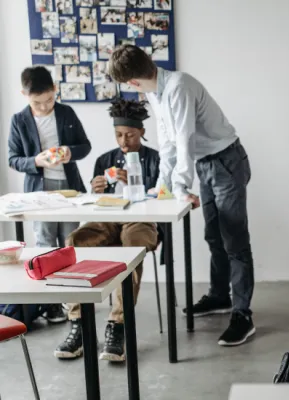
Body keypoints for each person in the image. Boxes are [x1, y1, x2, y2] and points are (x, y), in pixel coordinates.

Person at [107, 45, 256, 347]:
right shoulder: (155, 92)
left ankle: (243, 315)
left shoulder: (179, 86)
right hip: (206, 163)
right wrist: (163, 186)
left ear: (132, 82)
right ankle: (219, 297)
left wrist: (180, 186)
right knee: (214, 235)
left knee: (234, 239)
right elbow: (167, 144)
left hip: (226, 161)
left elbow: (184, 139)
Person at [54, 98, 160, 362]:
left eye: (130, 135)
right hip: (108, 217)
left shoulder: (156, 159)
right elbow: (93, 204)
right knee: (75, 241)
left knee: (132, 249)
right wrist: (97, 188)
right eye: (119, 135)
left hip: (142, 219)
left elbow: (164, 196)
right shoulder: (104, 159)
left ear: (142, 132)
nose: (124, 141)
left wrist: (140, 183)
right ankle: (78, 322)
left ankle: (118, 325)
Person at [8, 66, 91, 324]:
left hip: (68, 190)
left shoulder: (66, 112)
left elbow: (85, 146)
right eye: (37, 102)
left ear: (55, 90)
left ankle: (72, 301)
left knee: (69, 243)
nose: (44, 107)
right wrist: (36, 161)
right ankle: (51, 304)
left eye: (49, 100)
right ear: (24, 94)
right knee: (45, 245)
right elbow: (13, 159)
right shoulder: (19, 120)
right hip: (38, 192)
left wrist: (69, 152)